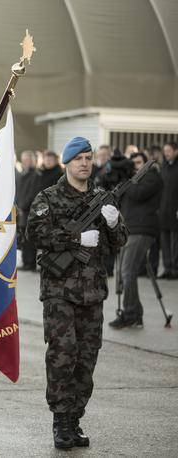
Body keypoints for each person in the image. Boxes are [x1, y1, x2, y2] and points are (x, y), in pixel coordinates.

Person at [27, 136, 128, 450]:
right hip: (59, 292)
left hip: (93, 292)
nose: (85, 163)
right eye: (79, 158)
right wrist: (74, 240)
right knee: (63, 355)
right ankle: (60, 421)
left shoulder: (102, 197)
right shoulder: (49, 197)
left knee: (86, 359)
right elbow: (35, 233)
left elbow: (119, 241)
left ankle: (74, 419)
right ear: (66, 163)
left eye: (88, 158)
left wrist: (113, 223)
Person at [110, 152, 162, 329]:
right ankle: (134, 313)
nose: (136, 166)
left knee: (128, 271)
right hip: (130, 228)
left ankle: (131, 313)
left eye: (139, 162)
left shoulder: (152, 176)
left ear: (146, 162)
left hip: (143, 228)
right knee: (124, 273)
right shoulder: (131, 179)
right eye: (133, 164)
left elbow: (138, 194)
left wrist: (126, 179)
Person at [16, 150, 39, 271]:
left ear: (32, 160)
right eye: (23, 160)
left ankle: (31, 263)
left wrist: (23, 206)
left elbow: (33, 193)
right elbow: (19, 192)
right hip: (21, 210)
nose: (25, 162)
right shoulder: (21, 174)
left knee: (30, 238)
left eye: (27, 160)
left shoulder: (35, 175)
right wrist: (18, 205)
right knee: (23, 237)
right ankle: (26, 262)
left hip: (29, 210)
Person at [158, 142, 178, 279]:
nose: (166, 153)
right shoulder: (164, 166)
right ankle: (167, 268)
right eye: (165, 151)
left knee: (175, 242)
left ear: (176, 151)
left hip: (175, 210)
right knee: (164, 241)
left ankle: (175, 270)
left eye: (169, 150)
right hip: (163, 209)